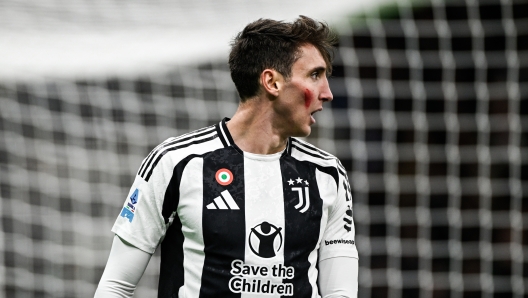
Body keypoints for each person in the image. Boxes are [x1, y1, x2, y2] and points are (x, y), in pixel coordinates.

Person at [94, 15, 358, 298]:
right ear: (272, 81)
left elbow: (340, 292)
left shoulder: (327, 173)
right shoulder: (177, 163)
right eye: (315, 75)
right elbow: (116, 286)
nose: (327, 93)